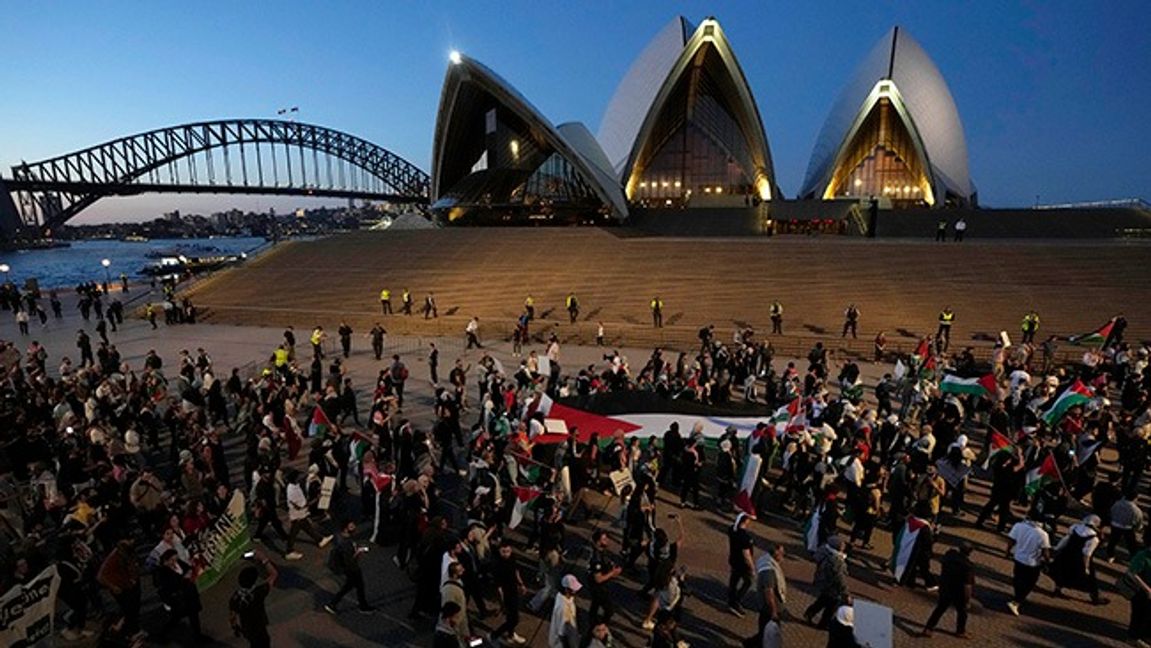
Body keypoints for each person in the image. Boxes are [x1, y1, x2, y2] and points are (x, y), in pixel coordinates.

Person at [920, 541, 973, 638]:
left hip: (945, 586)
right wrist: (967, 600)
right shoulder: (967, 566)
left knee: (940, 609)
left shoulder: (949, 555)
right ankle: (960, 631)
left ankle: (928, 628)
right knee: (962, 612)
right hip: (958, 591)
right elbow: (967, 586)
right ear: (969, 552)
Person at [1051, 514, 1106, 605]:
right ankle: (1094, 597)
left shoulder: (1075, 527)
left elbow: (1066, 539)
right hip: (1079, 558)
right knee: (1090, 579)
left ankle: (1057, 589)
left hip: (1067, 553)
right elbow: (1087, 554)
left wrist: (1057, 548)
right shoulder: (1093, 538)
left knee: (1062, 571)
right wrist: (1086, 567)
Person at [1005, 509, 1051, 616]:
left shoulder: (1018, 526)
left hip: (1018, 557)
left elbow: (1011, 541)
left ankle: (1017, 597)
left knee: (1018, 579)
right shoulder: (1043, 534)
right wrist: (1047, 562)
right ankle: (1017, 601)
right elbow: (1046, 551)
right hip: (1032, 562)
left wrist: (1007, 552)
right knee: (1029, 583)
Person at [324, 520, 375, 614]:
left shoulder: (341, 538)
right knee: (358, 586)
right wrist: (358, 552)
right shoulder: (346, 543)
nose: (354, 527)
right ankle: (363, 606)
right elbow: (349, 561)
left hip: (346, 567)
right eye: (351, 526)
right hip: (351, 569)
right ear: (346, 528)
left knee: (350, 586)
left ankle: (333, 604)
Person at [155, 549, 205, 642]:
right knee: (176, 617)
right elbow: (171, 585)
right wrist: (184, 579)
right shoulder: (163, 572)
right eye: (172, 560)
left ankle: (198, 635)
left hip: (189, 594)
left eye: (176, 560)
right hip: (179, 598)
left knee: (194, 615)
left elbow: (188, 567)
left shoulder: (178, 563)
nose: (175, 562)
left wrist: (189, 572)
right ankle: (162, 634)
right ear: (166, 560)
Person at [229, 552, 278, 648]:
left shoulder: (235, 597)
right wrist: (264, 559)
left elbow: (232, 615)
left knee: (254, 644)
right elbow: (273, 574)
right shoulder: (259, 592)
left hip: (247, 628)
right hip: (259, 626)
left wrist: (235, 627)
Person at [285, 469, 334, 560]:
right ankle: (289, 551)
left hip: (301, 514)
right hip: (297, 515)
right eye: (298, 476)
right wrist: (316, 499)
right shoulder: (292, 490)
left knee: (307, 527)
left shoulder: (294, 485)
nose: (300, 477)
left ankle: (320, 539)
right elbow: (300, 506)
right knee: (293, 533)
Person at [805, 535, 849, 628]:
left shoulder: (826, 553)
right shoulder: (837, 560)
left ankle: (810, 613)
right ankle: (824, 623)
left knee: (824, 599)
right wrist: (845, 591)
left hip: (825, 582)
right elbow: (839, 577)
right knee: (832, 605)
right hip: (832, 586)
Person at [491, 539, 528, 646]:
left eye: (508, 551)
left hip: (513, 590)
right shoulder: (497, 565)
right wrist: (501, 603)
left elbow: (516, 571)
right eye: (503, 551)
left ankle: (511, 634)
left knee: (512, 616)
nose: (506, 554)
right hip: (506, 594)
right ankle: (494, 635)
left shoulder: (512, 558)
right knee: (514, 619)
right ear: (499, 551)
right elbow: (498, 588)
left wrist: (521, 584)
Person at [752, 542, 786, 648]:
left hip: (769, 607)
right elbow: (769, 592)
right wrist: (774, 611)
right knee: (769, 631)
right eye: (782, 553)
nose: (783, 555)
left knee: (764, 630)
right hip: (769, 608)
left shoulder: (766, 560)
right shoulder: (769, 571)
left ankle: (752, 643)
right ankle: (753, 643)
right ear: (776, 554)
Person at [587, 529, 622, 627]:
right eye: (604, 539)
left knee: (595, 603)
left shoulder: (602, 552)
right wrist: (612, 573)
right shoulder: (596, 558)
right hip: (598, 588)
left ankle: (592, 619)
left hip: (601, 586)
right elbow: (598, 579)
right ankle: (601, 625)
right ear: (598, 542)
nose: (607, 541)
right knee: (609, 610)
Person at [728, 512, 756, 616]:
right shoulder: (745, 537)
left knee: (733, 581)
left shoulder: (732, 530)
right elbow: (746, 555)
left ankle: (731, 600)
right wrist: (752, 568)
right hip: (742, 564)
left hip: (733, 560)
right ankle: (736, 601)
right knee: (748, 582)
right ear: (745, 521)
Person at [1125, 543, 1151, 646]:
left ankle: (1146, 636)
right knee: (1139, 615)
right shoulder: (1143, 555)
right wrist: (1147, 589)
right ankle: (1133, 638)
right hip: (1141, 591)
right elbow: (1132, 573)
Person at [549, 574, 581, 648]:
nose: (576, 591)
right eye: (573, 589)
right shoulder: (564, 609)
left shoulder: (561, 596)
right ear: (566, 589)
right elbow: (562, 634)